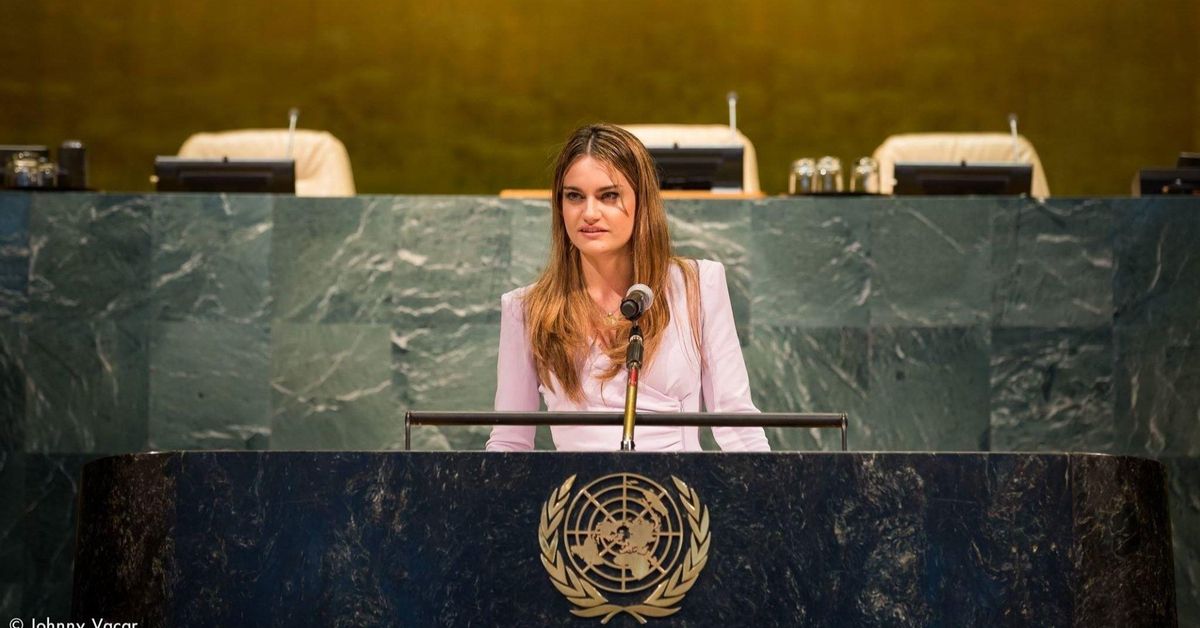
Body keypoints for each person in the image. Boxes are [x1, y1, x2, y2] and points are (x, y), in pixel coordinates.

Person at [486, 123, 769, 452]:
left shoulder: (698, 286)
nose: (589, 213)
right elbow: (510, 441)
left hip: (679, 499)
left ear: (641, 202)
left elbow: (738, 426)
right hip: (580, 502)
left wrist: (769, 498)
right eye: (574, 196)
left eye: (609, 196)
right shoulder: (526, 308)